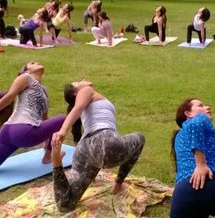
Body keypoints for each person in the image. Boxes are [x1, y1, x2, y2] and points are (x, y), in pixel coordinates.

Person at [50, 80, 145, 212]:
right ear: (75, 92)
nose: (82, 80)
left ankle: (56, 163)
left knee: (65, 205)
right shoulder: (86, 91)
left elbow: (77, 110)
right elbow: (77, 109)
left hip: (85, 150)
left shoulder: (86, 101)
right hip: (104, 142)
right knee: (140, 138)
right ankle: (118, 184)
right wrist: (62, 131)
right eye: (77, 82)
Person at [0, 61, 65, 175]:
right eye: (33, 63)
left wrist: (47, 144)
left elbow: (45, 121)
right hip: (24, 130)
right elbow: (9, 97)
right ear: (27, 70)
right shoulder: (26, 77)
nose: (37, 62)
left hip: (8, 132)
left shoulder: (44, 91)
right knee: (64, 119)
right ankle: (48, 156)